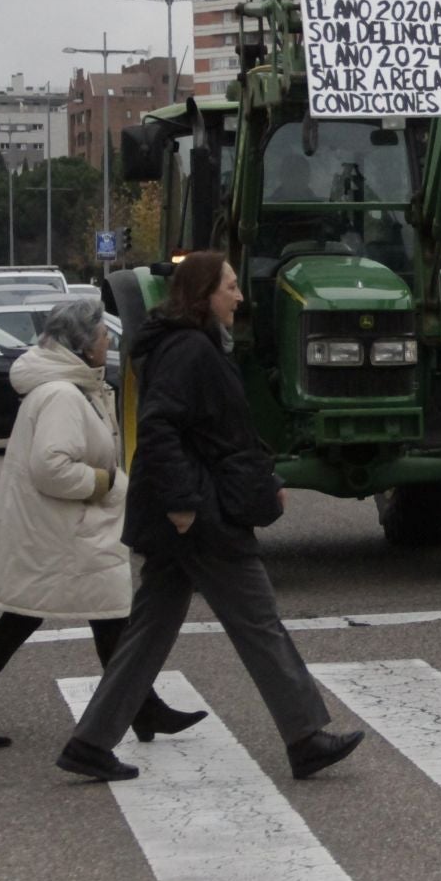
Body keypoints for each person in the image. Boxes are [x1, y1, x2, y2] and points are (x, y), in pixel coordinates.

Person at [56, 252, 363, 781]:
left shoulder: (193, 346)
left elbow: (222, 432)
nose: (240, 297)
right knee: (259, 622)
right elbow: (159, 428)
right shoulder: (189, 350)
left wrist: (264, 482)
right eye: (230, 287)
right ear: (203, 294)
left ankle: (90, 742)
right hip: (200, 516)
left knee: (150, 631)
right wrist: (182, 504)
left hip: (190, 512)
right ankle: (306, 736)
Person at [0, 299, 206, 749]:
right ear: (82, 344)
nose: (108, 342)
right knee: (99, 614)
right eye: (103, 335)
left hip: (60, 529)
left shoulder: (70, 386)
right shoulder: (62, 394)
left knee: (59, 617)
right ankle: (140, 709)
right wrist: (106, 483)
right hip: (65, 530)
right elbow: (52, 468)